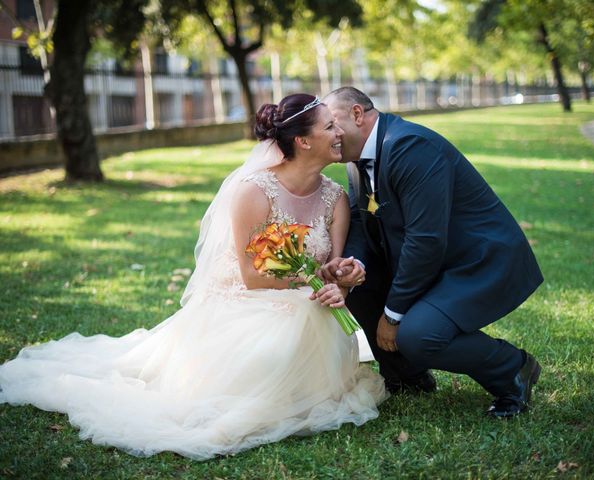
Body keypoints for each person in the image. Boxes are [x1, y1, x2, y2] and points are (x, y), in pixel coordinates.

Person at [0, 93, 387, 459]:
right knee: (276, 350)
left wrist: (342, 279)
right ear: (303, 141)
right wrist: (312, 286)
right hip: (250, 302)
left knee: (308, 323)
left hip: (308, 303)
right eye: (330, 127)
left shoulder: (335, 196)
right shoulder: (253, 192)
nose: (340, 134)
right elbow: (252, 277)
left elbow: (330, 269)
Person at [321, 86, 543, 418]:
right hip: (433, 262)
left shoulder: (409, 146)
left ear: (356, 114)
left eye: (332, 122)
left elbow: (425, 240)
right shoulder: (356, 159)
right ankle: (408, 377)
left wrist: (393, 315)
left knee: (419, 336)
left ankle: (512, 368)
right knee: (359, 286)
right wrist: (352, 265)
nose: (332, 135)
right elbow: (360, 220)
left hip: (476, 262)